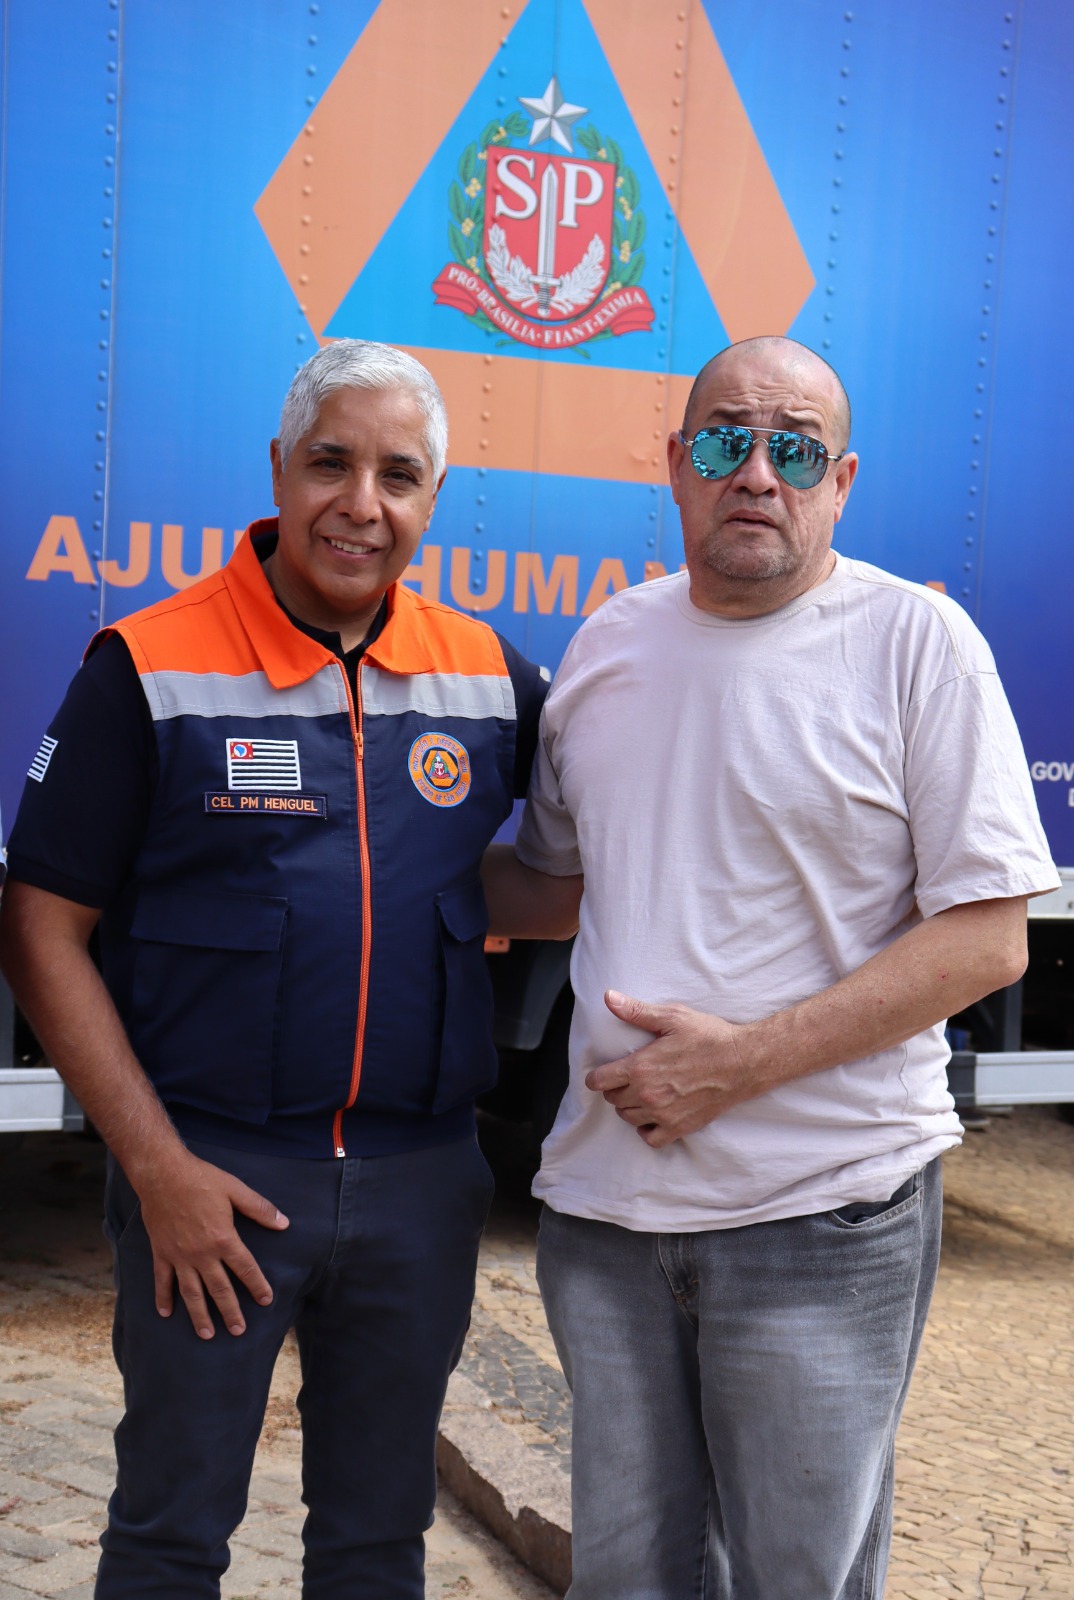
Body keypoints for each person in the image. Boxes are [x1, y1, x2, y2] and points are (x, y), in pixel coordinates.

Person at [482, 336, 1059, 1600]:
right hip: (608, 1220)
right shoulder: (608, 645)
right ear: (676, 464)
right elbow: (548, 884)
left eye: (795, 449)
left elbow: (988, 936)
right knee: (627, 1579)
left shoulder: (918, 645)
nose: (757, 471)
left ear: (839, 482)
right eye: (726, 440)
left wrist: (738, 1066)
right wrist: (332, 856)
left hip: (824, 1216)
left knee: (796, 1581)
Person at [0, 340, 547, 1600]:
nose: (361, 504)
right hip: (215, 1184)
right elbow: (39, 928)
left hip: (420, 1185)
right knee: (171, 1534)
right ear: (278, 469)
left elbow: (559, 861)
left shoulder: (487, 675)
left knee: (377, 1542)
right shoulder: (150, 667)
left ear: (433, 498)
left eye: (398, 476)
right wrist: (160, 1172)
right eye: (330, 464)